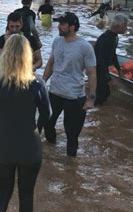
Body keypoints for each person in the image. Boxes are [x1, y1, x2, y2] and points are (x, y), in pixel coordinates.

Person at [0, 34, 50, 212]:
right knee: (26, 195)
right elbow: (46, 115)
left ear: (5, 54)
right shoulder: (37, 84)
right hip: (29, 147)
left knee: (2, 193)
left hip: (2, 145)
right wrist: (36, 128)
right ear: (28, 56)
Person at [42, 12, 97, 157]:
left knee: (71, 134)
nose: (59, 27)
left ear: (72, 27)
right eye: (59, 24)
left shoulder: (85, 47)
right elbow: (51, 63)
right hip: (54, 92)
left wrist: (91, 98)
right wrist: (42, 82)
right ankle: (50, 156)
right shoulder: (57, 42)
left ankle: (71, 166)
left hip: (74, 96)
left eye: (62, 24)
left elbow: (92, 73)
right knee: (47, 123)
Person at [93, 14, 128, 106]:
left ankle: (99, 115)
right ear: (118, 26)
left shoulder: (115, 37)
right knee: (101, 95)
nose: (126, 28)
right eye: (125, 26)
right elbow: (100, 61)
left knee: (105, 94)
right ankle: (95, 115)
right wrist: (109, 79)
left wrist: (119, 70)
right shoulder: (105, 39)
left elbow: (113, 54)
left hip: (103, 67)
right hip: (97, 67)